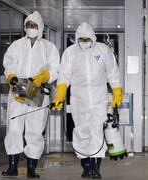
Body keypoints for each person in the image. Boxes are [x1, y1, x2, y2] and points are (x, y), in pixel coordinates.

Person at [51, 22, 123, 179]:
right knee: (82, 132)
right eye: (81, 39)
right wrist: (60, 95)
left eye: (87, 39)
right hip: (78, 98)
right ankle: (86, 165)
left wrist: (117, 92)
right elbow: (64, 76)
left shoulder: (103, 50)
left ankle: (96, 167)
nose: (84, 41)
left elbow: (113, 73)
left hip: (99, 97)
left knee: (97, 131)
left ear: (93, 38)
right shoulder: (70, 53)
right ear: (77, 39)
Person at [2, 11, 60, 178]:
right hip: (19, 87)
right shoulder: (16, 45)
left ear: (40, 27)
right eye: (28, 25)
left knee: (35, 130)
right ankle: (12, 166)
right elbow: (9, 62)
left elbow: (55, 68)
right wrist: (12, 76)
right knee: (14, 128)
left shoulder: (49, 47)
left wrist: (43, 77)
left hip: (37, 89)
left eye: (34, 26)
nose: (31, 28)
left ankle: (31, 168)